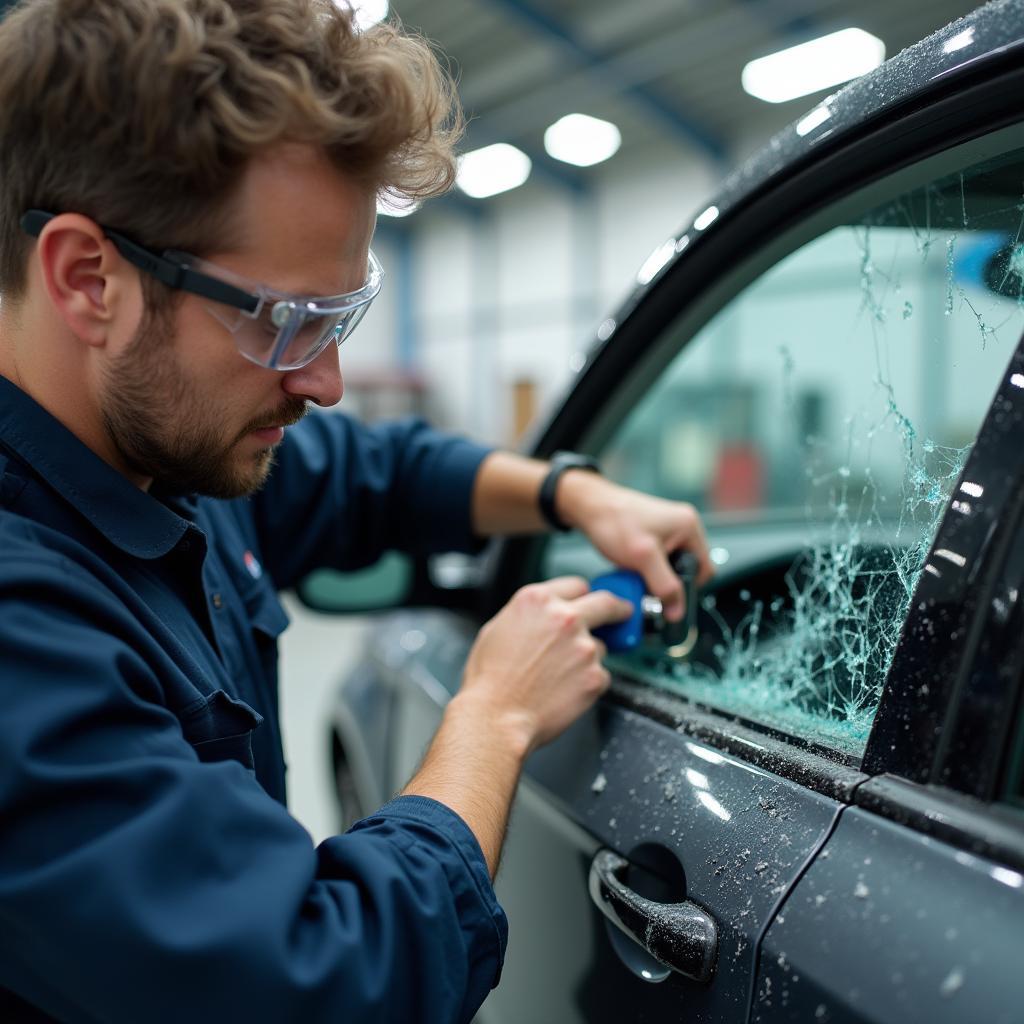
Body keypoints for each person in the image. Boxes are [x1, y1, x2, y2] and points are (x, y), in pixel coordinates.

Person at [0, 1, 712, 1020]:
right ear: (88, 278)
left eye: (343, 316)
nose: (328, 379)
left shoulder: (166, 447)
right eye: (289, 321)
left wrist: (571, 491)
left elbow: (372, 471)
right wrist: (493, 716)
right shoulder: (23, 631)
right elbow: (325, 981)